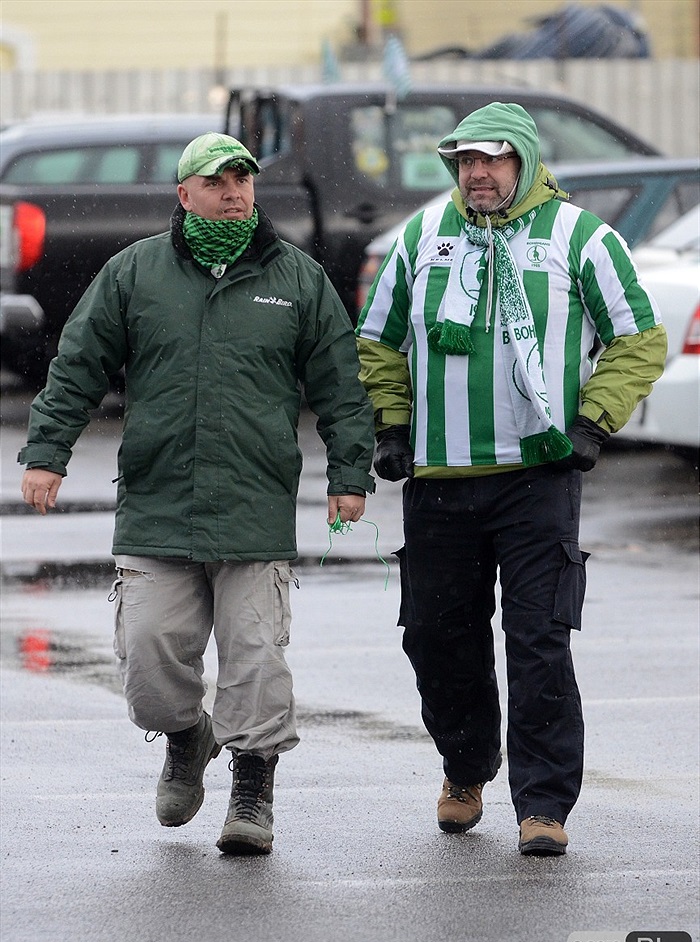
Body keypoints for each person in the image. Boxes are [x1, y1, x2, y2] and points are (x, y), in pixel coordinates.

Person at [19, 131, 376, 856]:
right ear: (184, 195)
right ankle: (187, 738)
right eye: (217, 181)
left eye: (243, 178)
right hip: (158, 501)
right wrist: (47, 452)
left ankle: (253, 787)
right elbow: (78, 365)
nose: (235, 190)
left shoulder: (297, 278)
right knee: (148, 659)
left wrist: (349, 473)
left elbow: (342, 384)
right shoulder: (135, 273)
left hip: (254, 502)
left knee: (255, 657)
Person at [355, 102, 666, 856]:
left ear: (522, 161)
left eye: (492, 159)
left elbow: (639, 337)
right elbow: (377, 338)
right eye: (465, 160)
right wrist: (392, 425)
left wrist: (593, 422)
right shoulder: (424, 236)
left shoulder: (579, 236)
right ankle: (466, 768)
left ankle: (544, 803)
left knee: (539, 643)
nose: (477, 173)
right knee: (437, 639)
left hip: (539, 478)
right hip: (438, 480)